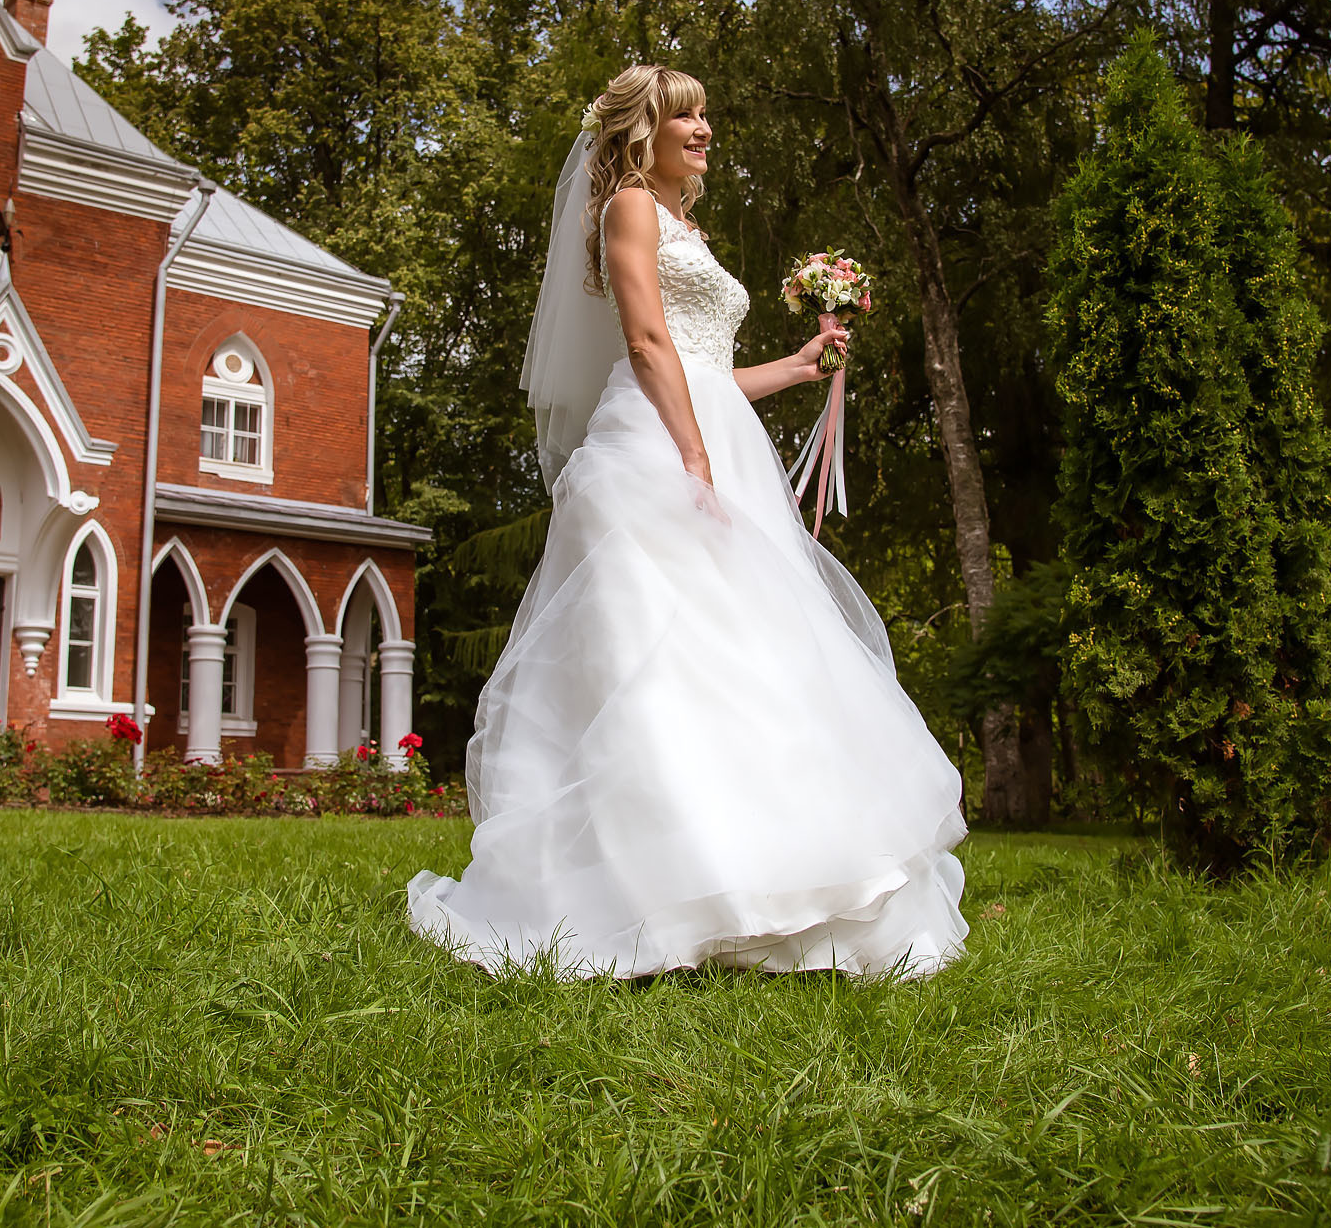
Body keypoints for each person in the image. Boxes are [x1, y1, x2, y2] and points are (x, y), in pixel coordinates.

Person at [406, 65, 969, 978]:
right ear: (645, 131)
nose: (705, 128)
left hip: (707, 432)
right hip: (656, 449)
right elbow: (646, 343)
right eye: (685, 116)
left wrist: (798, 366)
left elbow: (706, 371)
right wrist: (694, 457)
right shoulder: (628, 206)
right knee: (658, 662)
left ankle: (759, 875)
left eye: (707, 113)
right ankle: (651, 891)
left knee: (745, 658)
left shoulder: (690, 228)